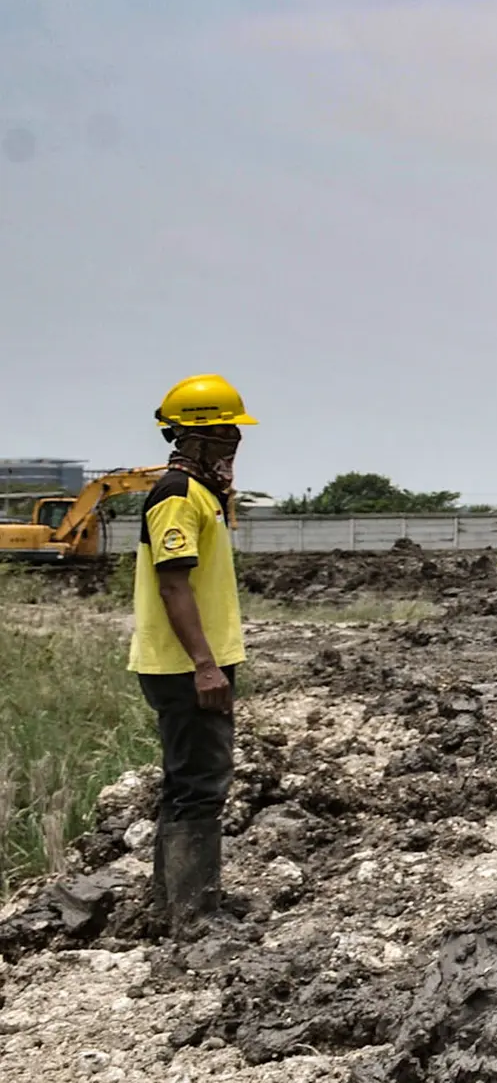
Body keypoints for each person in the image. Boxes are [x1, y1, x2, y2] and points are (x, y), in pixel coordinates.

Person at [133, 373, 255, 935]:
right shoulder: (178, 498)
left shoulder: (201, 495)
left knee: (187, 781)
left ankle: (171, 906)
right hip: (186, 667)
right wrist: (206, 665)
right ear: (198, 438)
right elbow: (173, 586)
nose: (235, 445)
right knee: (202, 784)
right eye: (227, 434)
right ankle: (194, 917)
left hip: (195, 662)